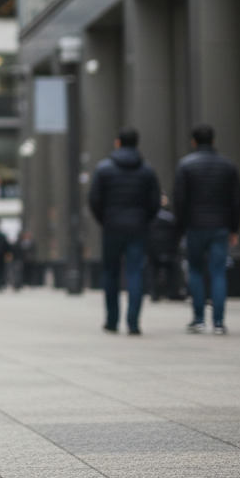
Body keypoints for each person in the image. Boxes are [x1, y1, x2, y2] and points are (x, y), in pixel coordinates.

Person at [88, 127, 161, 335]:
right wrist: (145, 219)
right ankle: (133, 322)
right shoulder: (147, 170)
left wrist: (104, 219)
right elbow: (155, 201)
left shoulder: (104, 169)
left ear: (117, 143)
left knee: (110, 272)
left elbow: (94, 199)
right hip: (138, 228)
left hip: (112, 227)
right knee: (135, 272)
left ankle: (112, 320)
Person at [173, 123, 240, 335]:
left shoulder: (186, 165)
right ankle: (219, 323)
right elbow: (237, 200)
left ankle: (199, 319)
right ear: (214, 141)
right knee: (218, 271)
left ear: (193, 142)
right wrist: (234, 228)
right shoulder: (228, 166)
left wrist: (181, 227)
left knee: (195, 270)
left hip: (195, 226)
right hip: (220, 226)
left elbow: (180, 200)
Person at [147, 194, 182, 302]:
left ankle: (154, 293)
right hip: (168, 248)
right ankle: (172, 292)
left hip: (154, 248)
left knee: (153, 270)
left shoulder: (148, 216)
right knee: (171, 270)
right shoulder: (170, 216)